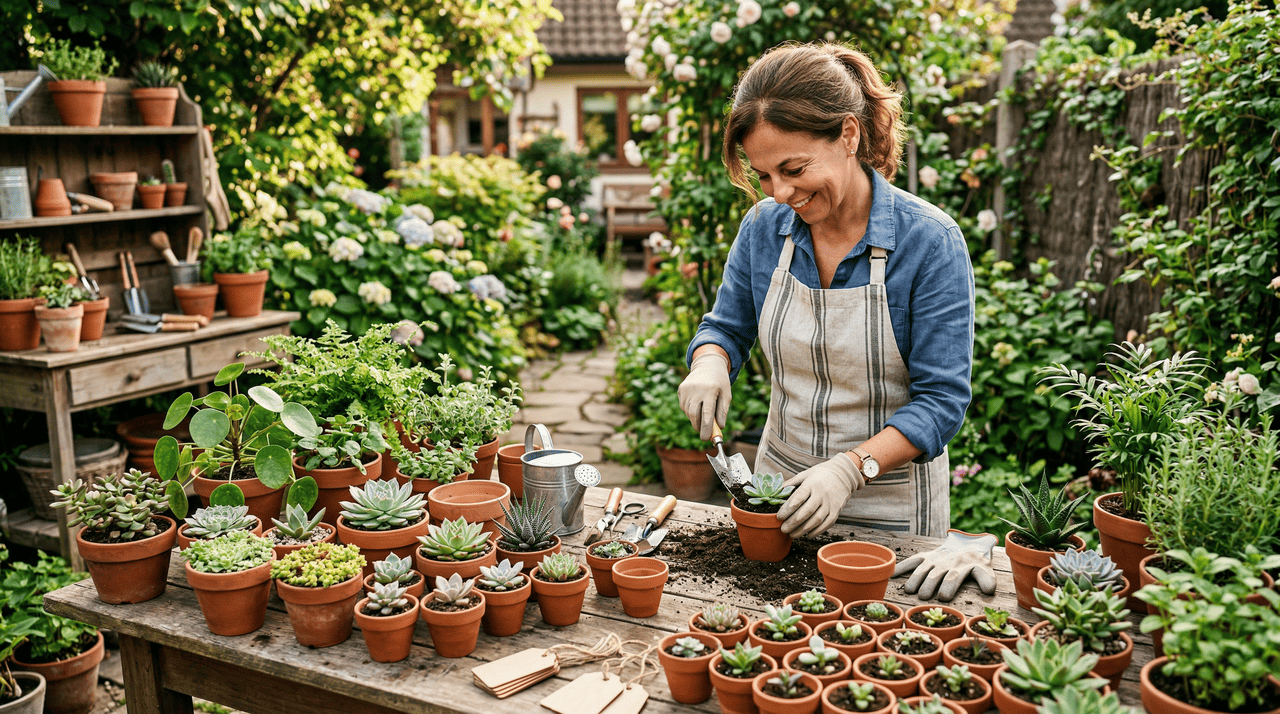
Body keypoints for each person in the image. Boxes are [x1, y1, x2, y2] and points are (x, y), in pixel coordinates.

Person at [678, 43, 975, 544]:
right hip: (779, 497)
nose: (778, 193)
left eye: (793, 170)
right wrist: (709, 362)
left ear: (848, 133)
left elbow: (941, 401)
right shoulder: (763, 229)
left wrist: (848, 470)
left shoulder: (928, 242)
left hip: (892, 511)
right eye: (764, 175)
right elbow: (727, 327)